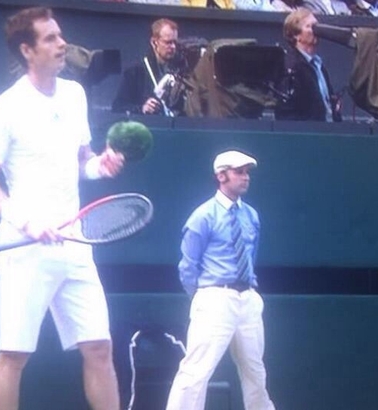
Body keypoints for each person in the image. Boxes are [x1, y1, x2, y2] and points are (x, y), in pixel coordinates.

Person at [0, 7, 124, 410]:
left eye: (60, 35)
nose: (62, 43)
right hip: (26, 248)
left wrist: (99, 167)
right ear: (27, 50)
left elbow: (81, 162)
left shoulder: (75, 95)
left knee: (100, 349)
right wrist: (27, 221)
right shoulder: (4, 107)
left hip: (75, 243)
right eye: (50, 38)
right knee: (14, 356)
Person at [166, 150, 275, 410]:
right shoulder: (202, 216)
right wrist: (205, 296)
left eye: (247, 172)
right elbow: (188, 266)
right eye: (239, 172)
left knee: (256, 372)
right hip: (215, 297)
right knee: (196, 371)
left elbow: (251, 255)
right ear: (221, 175)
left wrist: (250, 289)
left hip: (247, 299)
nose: (245, 177)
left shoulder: (251, 216)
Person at [274, 8, 342, 122]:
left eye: (317, 27)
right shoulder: (290, 66)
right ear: (296, 35)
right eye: (310, 27)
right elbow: (286, 109)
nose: (316, 31)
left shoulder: (319, 66)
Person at [111, 18, 181, 116]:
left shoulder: (181, 71)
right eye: (168, 42)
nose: (173, 47)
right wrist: (142, 108)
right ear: (154, 42)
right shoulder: (135, 72)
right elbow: (118, 107)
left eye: (175, 42)